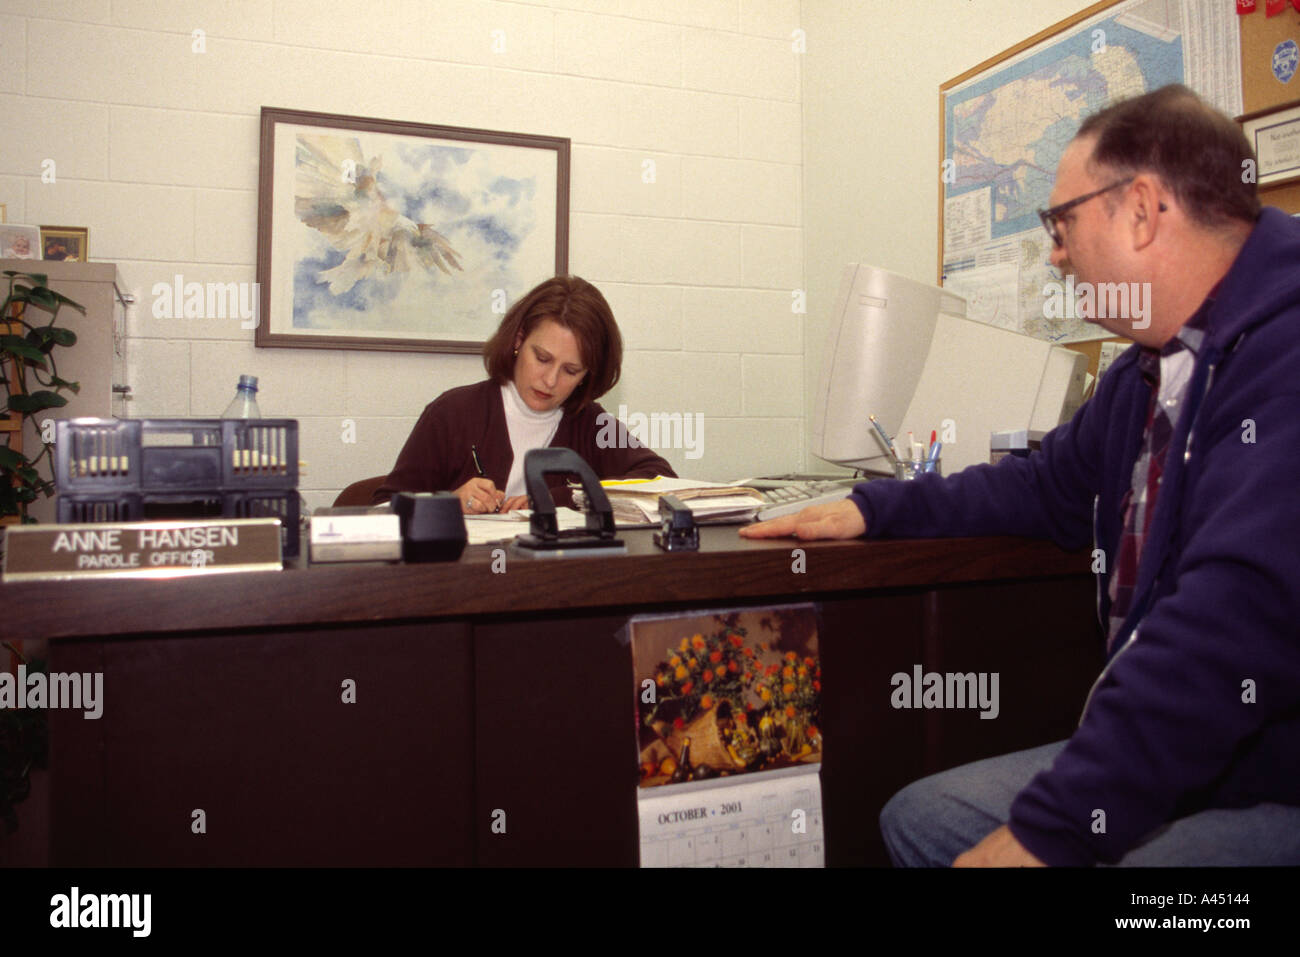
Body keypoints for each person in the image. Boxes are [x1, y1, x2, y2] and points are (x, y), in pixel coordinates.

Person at [741, 84, 1300, 866]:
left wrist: (1051, 829)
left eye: (1062, 222)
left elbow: (1231, 622)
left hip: (1270, 778)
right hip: (1195, 756)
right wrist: (875, 506)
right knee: (921, 818)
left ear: (1140, 210)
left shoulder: (1284, 349)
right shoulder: (1147, 371)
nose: (1058, 252)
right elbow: (1041, 488)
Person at [374, 275, 675, 512]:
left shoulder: (589, 422)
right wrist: (449, 502)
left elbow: (660, 480)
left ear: (587, 376)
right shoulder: (453, 413)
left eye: (571, 371)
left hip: (551, 580)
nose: (550, 380)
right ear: (518, 340)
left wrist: (564, 497)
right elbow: (383, 510)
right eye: (542, 358)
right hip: (464, 582)